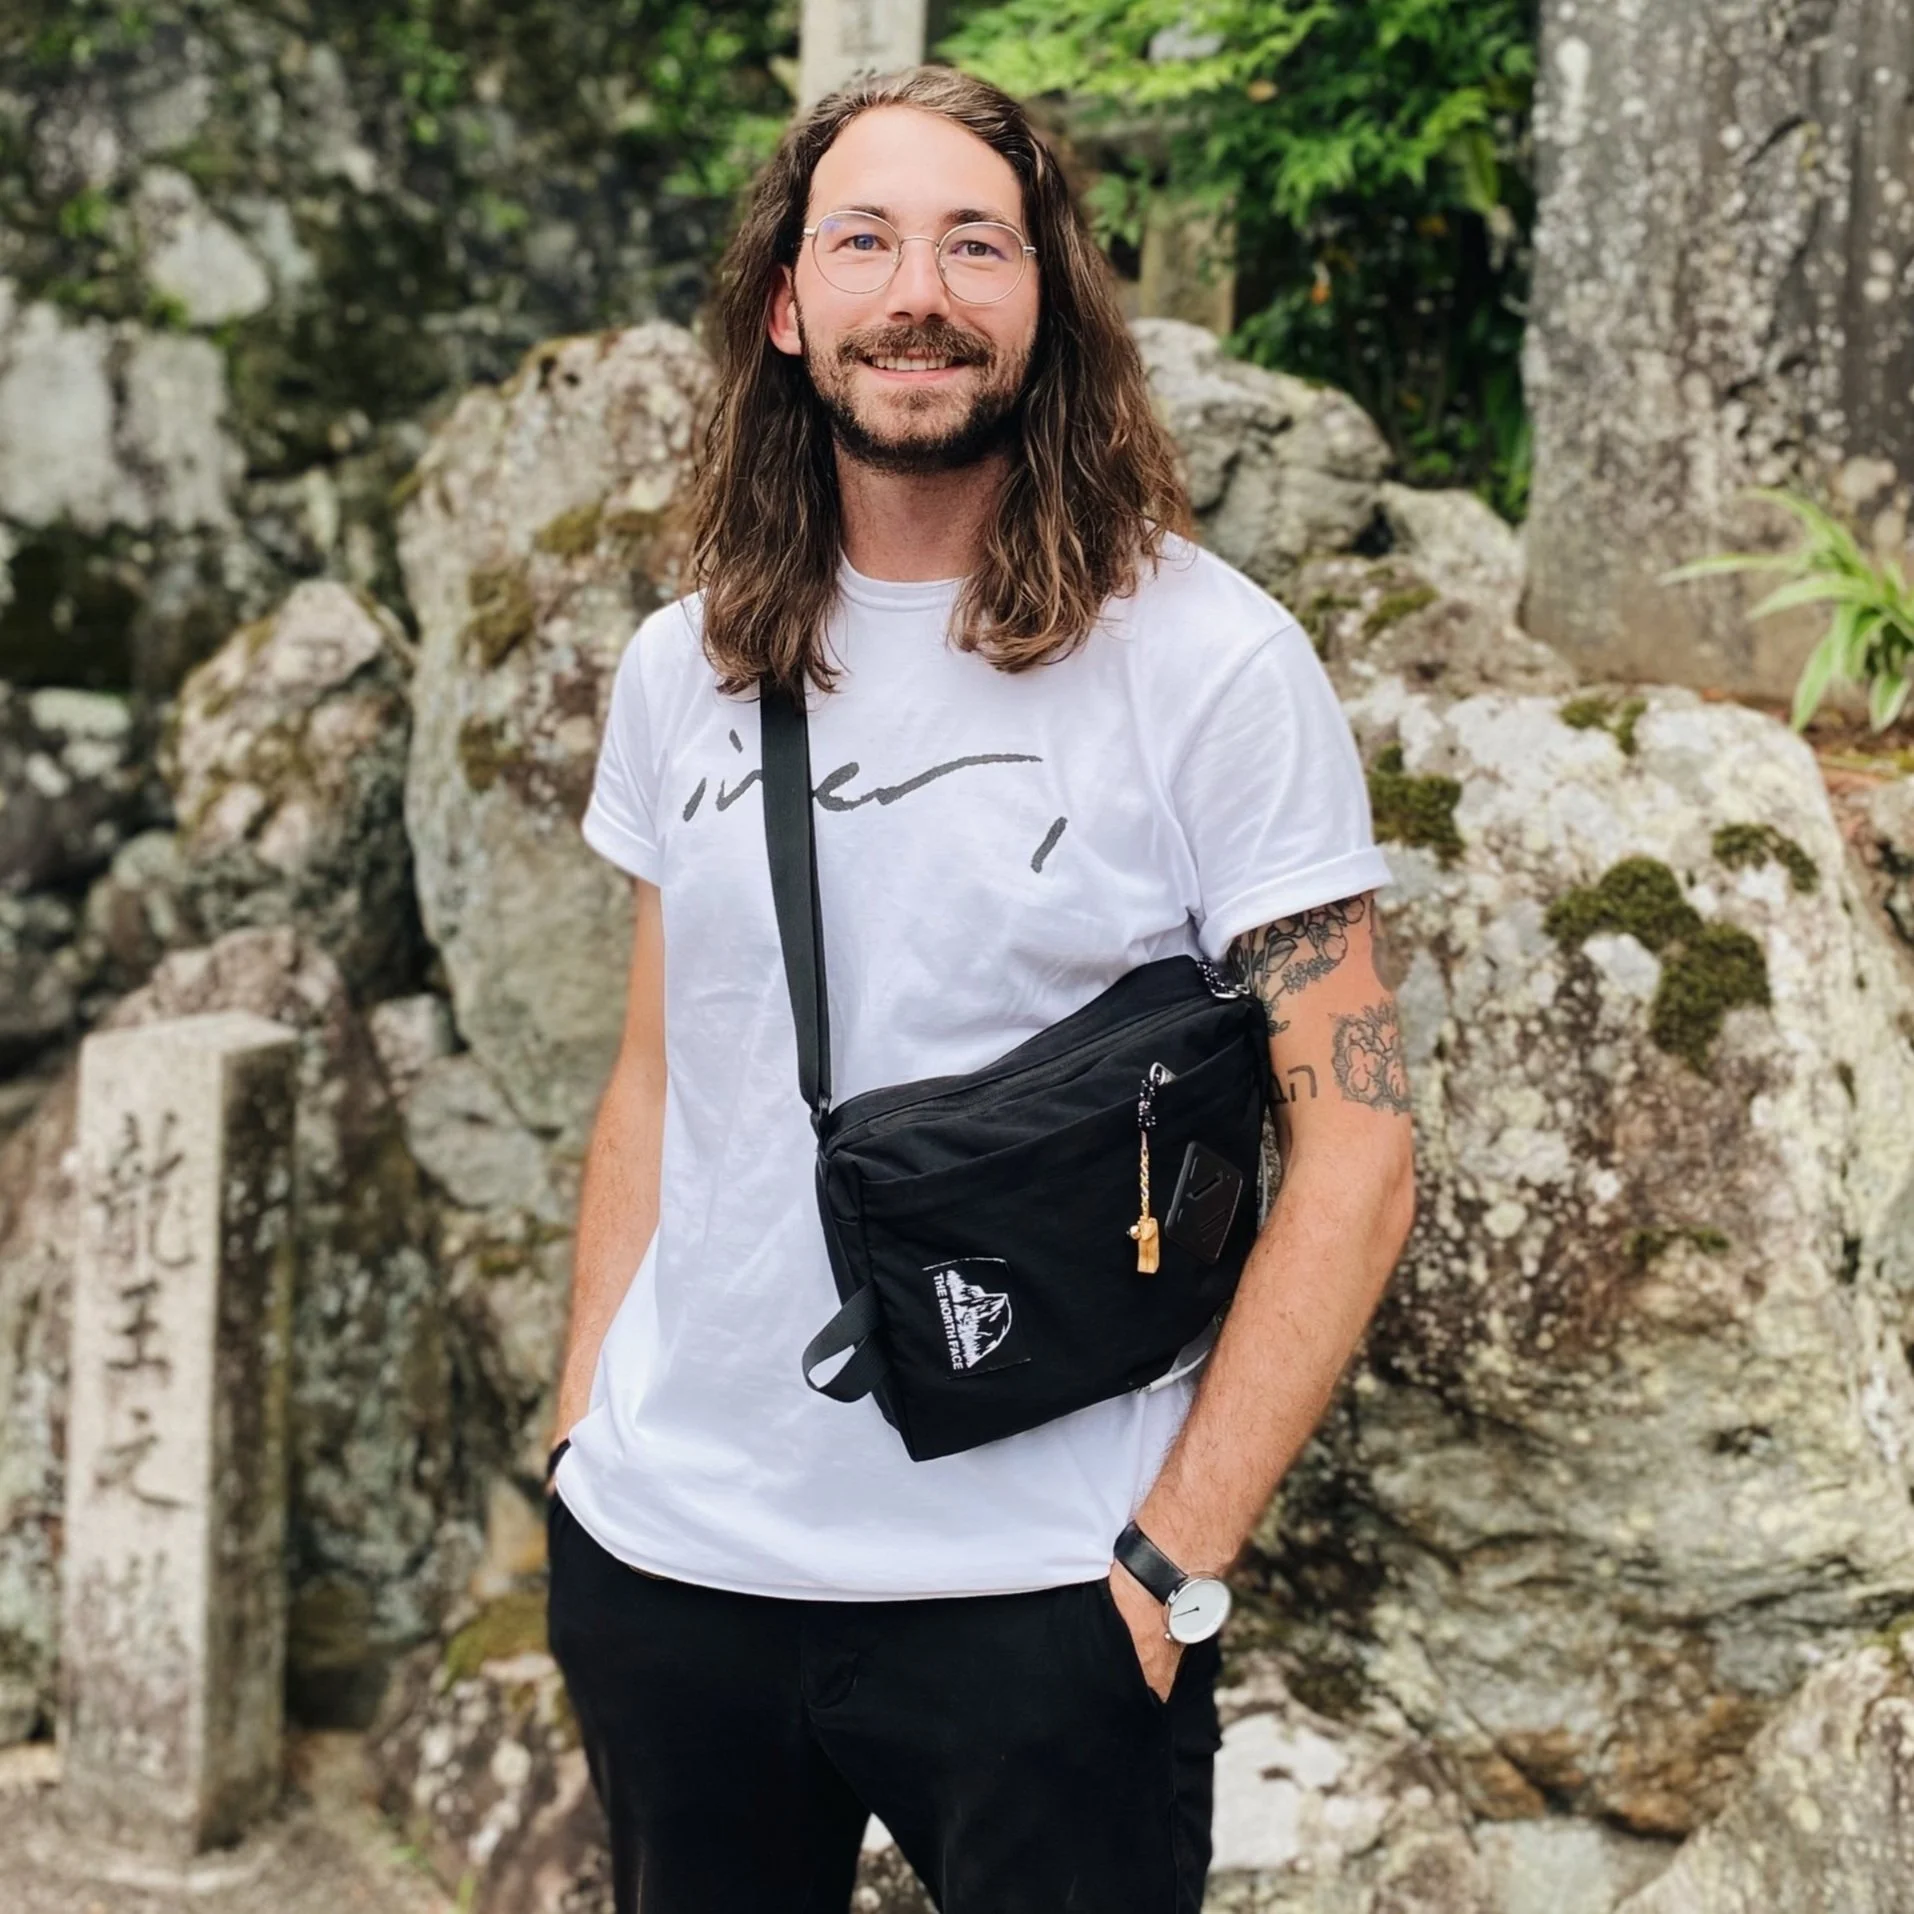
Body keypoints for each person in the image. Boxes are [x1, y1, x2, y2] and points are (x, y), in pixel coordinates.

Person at [544, 64, 1415, 1914]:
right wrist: (577, 1454)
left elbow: (1357, 1145)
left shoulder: (1203, 662)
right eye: (861, 239)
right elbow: (657, 1077)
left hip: (1042, 1599)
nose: (916, 289)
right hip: (676, 1577)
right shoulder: (676, 667)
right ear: (787, 306)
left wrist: (1174, 1557)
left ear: (1047, 300)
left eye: (973, 243)